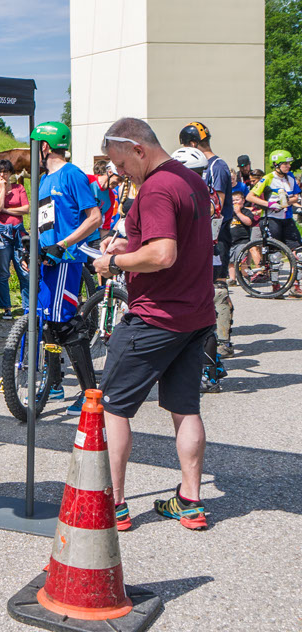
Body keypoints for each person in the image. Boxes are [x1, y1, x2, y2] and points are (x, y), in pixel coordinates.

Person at [94, 117, 214, 532]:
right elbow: (176, 240)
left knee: (112, 408)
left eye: (121, 164)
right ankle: (191, 502)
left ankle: (114, 505)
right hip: (195, 314)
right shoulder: (190, 180)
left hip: (156, 316)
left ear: (139, 150)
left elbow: (163, 254)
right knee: (186, 408)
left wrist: (114, 261)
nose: (120, 173)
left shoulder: (157, 187)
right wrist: (130, 243)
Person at [31, 121, 102, 417]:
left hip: (65, 259)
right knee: (46, 321)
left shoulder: (71, 174)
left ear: (45, 146)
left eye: (34, 146)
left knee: (65, 324)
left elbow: (94, 217)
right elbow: (44, 220)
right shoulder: (43, 179)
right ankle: (55, 382)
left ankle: (90, 393)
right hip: (46, 259)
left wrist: (63, 244)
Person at [169, 147, 228, 393]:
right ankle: (212, 366)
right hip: (207, 258)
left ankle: (208, 372)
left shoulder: (194, 195)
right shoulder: (208, 192)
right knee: (203, 314)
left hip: (197, 261)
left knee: (200, 317)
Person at [178, 122, 235, 356]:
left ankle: (222, 342)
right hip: (200, 233)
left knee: (217, 287)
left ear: (193, 144)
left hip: (217, 233)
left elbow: (216, 204)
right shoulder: (201, 165)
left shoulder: (216, 166)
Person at [0, 159, 30, 320]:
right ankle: (6, 308)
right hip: (0, 233)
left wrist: (6, 209)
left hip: (18, 232)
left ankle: (28, 307)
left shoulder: (19, 188)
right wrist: (3, 189)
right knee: (3, 272)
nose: (2, 175)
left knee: (24, 270)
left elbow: (26, 209)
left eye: (5, 171)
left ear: (10, 173)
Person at [246, 150, 302, 254]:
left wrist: (286, 201)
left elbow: (296, 197)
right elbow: (250, 197)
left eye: (289, 163)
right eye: (285, 164)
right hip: (272, 218)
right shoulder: (268, 178)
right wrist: (270, 204)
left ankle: (295, 264)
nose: (289, 166)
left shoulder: (290, 177)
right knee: (274, 252)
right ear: (276, 165)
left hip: (287, 217)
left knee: (298, 250)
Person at [88, 160, 122, 248]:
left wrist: (105, 245)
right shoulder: (87, 180)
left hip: (92, 238)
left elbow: (104, 227)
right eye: (118, 179)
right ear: (110, 172)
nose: (119, 184)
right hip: (74, 234)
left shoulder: (111, 196)